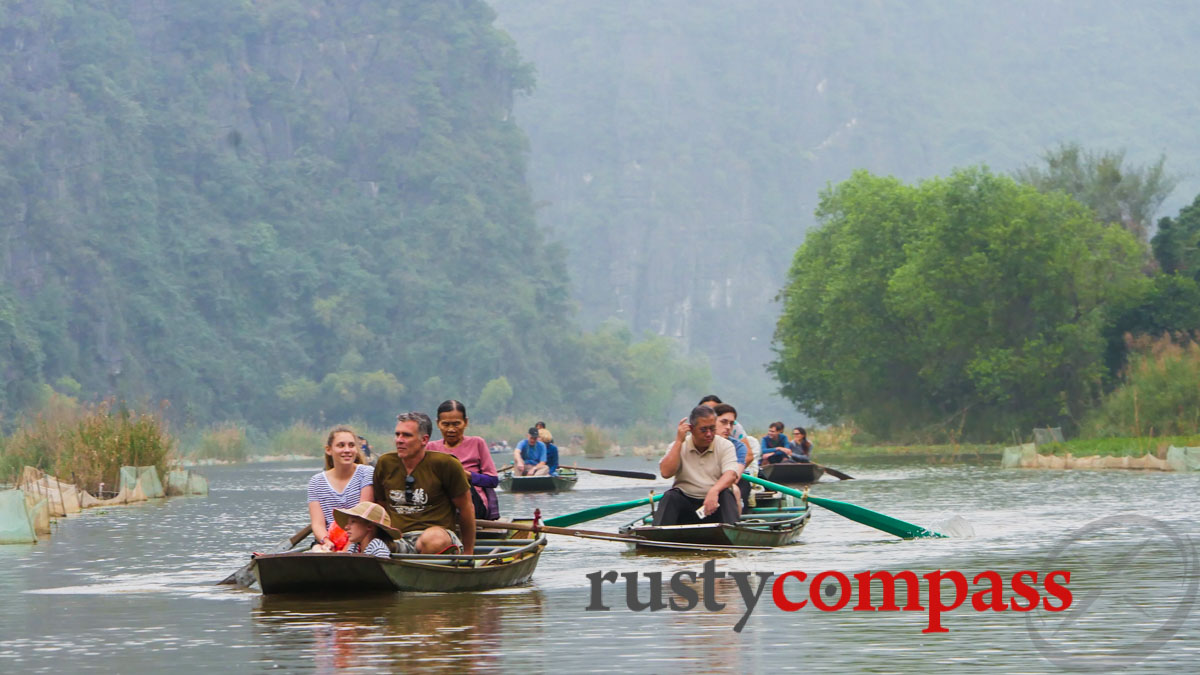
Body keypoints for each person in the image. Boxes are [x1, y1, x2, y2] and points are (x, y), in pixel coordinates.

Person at [374, 412, 475, 555]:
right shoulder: (385, 463)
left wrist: (469, 552)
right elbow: (380, 505)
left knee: (433, 540)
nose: (399, 440)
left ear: (424, 440)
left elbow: (466, 508)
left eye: (407, 435)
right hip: (399, 539)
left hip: (436, 537)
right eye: (397, 435)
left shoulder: (446, 464)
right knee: (371, 542)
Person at [654, 405, 740, 526]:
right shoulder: (678, 446)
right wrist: (679, 441)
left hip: (714, 504)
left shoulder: (725, 445)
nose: (709, 434)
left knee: (726, 495)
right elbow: (666, 473)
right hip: (686, 503)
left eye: (712, 429)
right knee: (670, 497)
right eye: (704, 430)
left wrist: (714, 491)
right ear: (692, 429)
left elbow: (731, 474)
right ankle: (658, 537)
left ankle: (733, 535)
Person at [426, 399, 500, 520]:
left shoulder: (477, 443)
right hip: (441, 505)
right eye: (445, 424)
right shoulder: (431, 448)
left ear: (465, 422)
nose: (451, 429)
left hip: (474, 504)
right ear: (438, 423)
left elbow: (492, 481)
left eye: (456, 424)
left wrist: (464, 475)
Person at [307, 426, 374, 551]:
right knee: (317, 550)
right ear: (328, 450)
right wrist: (326, 541)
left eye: (351, 445)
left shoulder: (367, 473)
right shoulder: (316, 482)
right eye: (341, 445)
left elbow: (363, 515)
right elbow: (317, 524)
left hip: (360, 538)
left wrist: (345, 551)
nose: (347, 450)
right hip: (330, 539)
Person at [712, 403, 754, 511]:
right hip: (703, 483)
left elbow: (734, 477)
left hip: (731, 482)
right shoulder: (699, 442)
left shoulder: (739, 446)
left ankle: (735, 522)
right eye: (724, 422)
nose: (728, 427)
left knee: (735, 490)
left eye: (731, 424)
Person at [332, 501, 400, 558]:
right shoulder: (354, 547)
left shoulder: (378, 547)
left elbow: (381, 571)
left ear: (369, 526)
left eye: (353, 521)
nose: (346, 527)